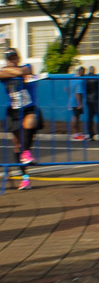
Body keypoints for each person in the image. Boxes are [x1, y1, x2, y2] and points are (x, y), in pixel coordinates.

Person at [1, 49, 42, 190]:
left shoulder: (28, 66)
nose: (12, 60)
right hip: (14, 110)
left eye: (14, 58)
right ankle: (25, 178)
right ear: (6, 60)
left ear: (18, 58)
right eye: (9, 59)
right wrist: (15, 72)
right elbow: (16, 73)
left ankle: (26, 153)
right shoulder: (3, 72)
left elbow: (23, 71)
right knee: (17, 144)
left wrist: (13, 71)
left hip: (28, 107)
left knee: (30, 122)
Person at [84, 65, 99, 141]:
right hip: (96, 99)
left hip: (88, 99)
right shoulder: (98, 78)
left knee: (90, 118)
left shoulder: (85, 78)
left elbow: (84, 88)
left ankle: (91, 135)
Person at [70, 66, 86, 140]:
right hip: (76, 101)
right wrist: (79, 103)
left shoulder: (73, 78)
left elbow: (67, 89)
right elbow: (77, 93)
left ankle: (78, 133)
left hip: (72, 100)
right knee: (76, 117)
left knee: (77, 117)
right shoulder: (79, 80)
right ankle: (75, 134)